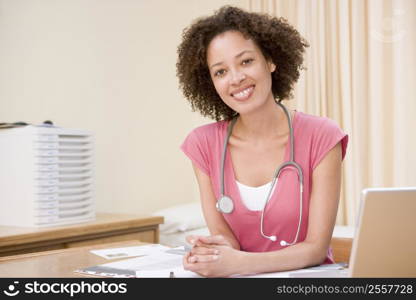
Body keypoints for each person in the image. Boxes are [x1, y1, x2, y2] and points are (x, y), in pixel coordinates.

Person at [176, 6, 348, 278]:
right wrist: (213, 252)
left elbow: (315, 248)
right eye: (220, 71)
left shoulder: (322, 136)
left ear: (270, 60)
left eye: (246, 61)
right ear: (210, 82)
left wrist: (238, 263)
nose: (236, 78)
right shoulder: (203, 144)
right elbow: (225, 237)